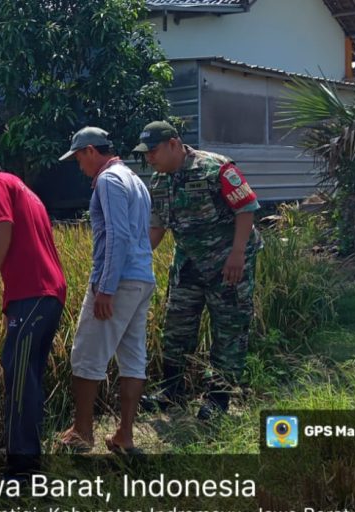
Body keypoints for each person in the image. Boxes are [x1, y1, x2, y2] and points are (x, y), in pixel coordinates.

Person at [134, 121, 263, 421]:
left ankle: (218, 399)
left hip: (228, 264)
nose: (149, 158)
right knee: (176, 326)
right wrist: (135, 258)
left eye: (153, 151)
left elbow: (246, 208)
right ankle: (172, 391)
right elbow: (157, 228)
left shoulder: (215, 168)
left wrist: (237, 254)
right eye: (145, 153)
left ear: (173, 144)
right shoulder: (159, 181)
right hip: (189, 265)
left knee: (228, 330)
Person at [55, 127, 155, 454]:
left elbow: (118, 235)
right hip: (142, 278)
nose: (79, 165)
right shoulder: (135, 180)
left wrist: (106, 288)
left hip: (119, 281)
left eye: (78, 158)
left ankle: (82, 432)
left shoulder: (109, 180)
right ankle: (124, 435)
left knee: (86, 354)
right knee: (133, 358)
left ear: (90, 151)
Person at [0, 156, 67, 475]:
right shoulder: (24, 189)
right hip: (46, 294)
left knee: (19, 376)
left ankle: (22, 468)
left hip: (32, 293)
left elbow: (4, 226)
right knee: (29, 375)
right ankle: (29, 458)